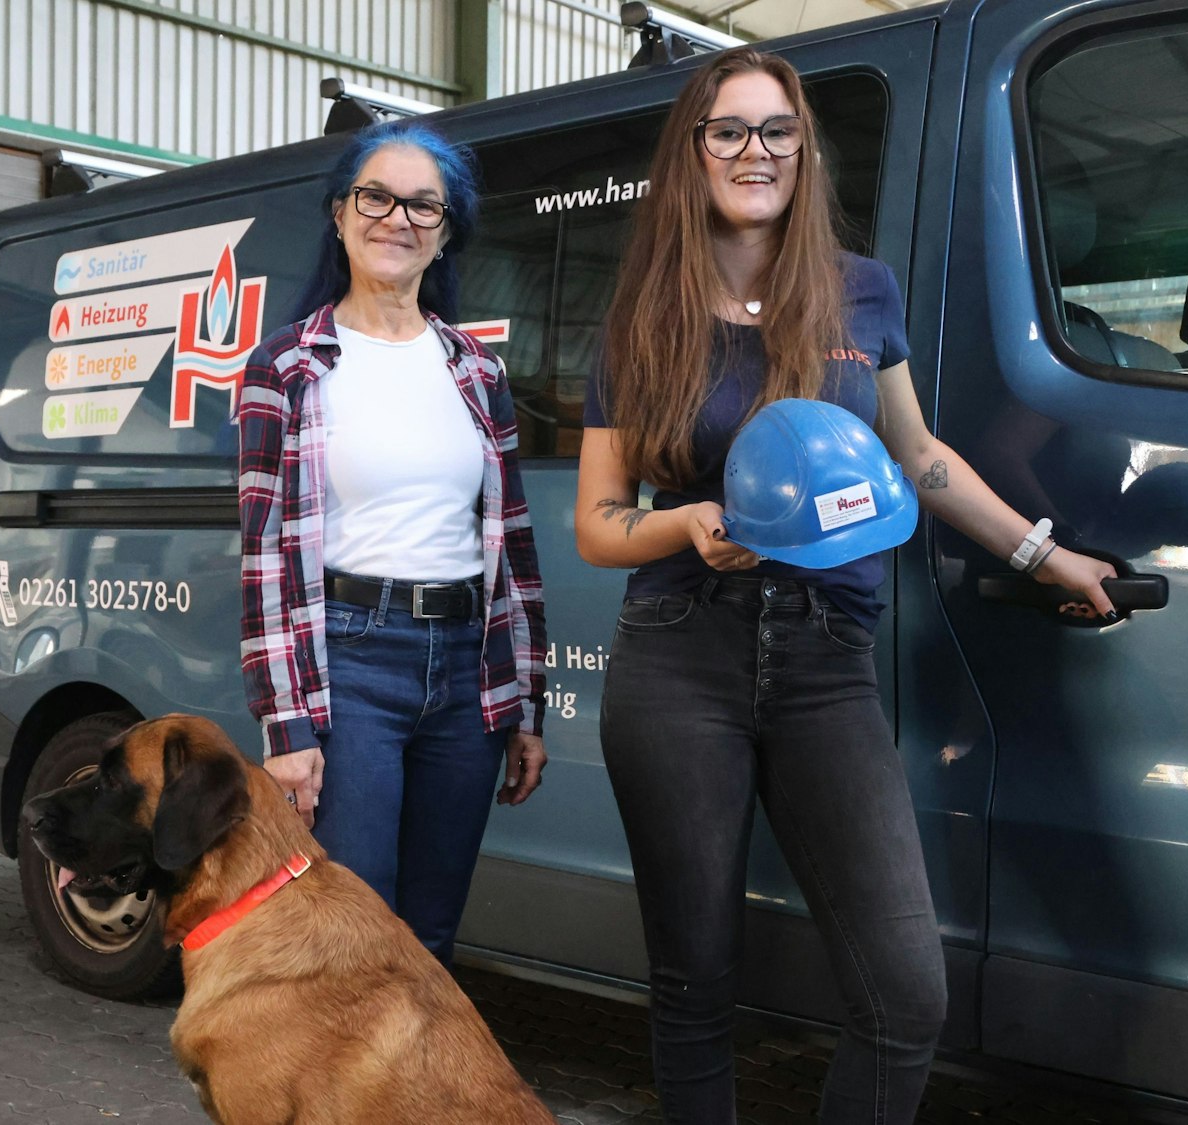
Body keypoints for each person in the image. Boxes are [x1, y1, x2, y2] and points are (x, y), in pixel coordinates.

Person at [575, 47, 1117, 1124]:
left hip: (826, 657)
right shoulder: (641, 317)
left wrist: (1042, 554)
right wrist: (683, 522)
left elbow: (919, 458)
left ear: (804, 151)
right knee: (693, 981)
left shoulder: (859, 290)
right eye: (727, 130)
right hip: (681, 652)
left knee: (903, 991)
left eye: (777, 130)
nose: (754, 152)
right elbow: (596, 524)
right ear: (691, 153)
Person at [235, 120, 549, 963]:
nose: (396, 219)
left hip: (467, 675)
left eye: (423, 205)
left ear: (445, 232)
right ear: (340, 214)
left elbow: (513, 545)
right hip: (352, 665)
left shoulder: (477, 372)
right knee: (355, 928)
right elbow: (265, 554)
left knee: (432, 937)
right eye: (376, 197)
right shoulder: (287, 367)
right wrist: (286, 726)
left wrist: (526, 700)